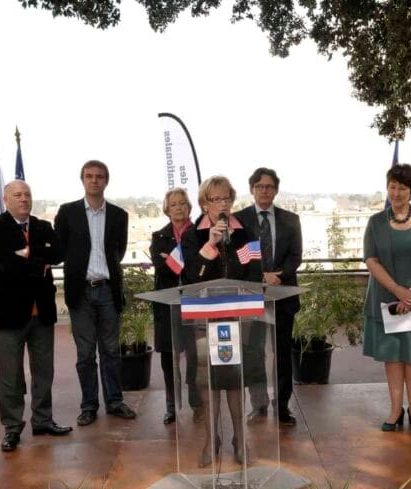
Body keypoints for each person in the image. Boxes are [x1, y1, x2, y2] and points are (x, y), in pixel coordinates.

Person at [0, 180, 72, 452]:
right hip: (8, 315)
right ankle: (12, 427)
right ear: (6, 199)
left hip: (41, 312)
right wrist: (39, 262)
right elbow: (7, 265)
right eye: (17, 195)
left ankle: (43, 420)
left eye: (27, 195)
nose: (24, 199)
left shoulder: (44, 227)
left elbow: (57, 253)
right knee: (9, 375)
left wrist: (29, 255)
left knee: (44, 371)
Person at [181, 176, 262, 467]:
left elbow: (254, 273)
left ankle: (239, 440)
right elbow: (191, 277)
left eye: (227, 198)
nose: (223, 204)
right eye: (216, 199)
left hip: (239, 317)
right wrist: (211, 245)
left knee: (234, 381)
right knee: (209, 381)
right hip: (204, 319)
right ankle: (210, 439)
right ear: (204, 204)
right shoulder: (192, 236)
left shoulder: (244, 232)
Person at [54, 160, 136, 427]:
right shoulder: (67, 213)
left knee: (111, 351)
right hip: (81, 293)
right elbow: (60, 249)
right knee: (85, 353)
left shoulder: (118, 215)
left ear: (106, 181)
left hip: (108, 291)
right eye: (89, 176)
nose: (94, 181)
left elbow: (119, 251)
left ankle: (115, 401)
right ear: (82, 180)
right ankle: (89, 405)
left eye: (99, 176)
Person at [362, 164, 411, 433]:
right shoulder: (375, 222)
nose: (396, 193)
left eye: (402, 188)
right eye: (392, 187)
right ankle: (395, 410)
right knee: (393, 356)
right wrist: (397, 290)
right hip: (386, 298)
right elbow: (371, 260)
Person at [234, 167, 302, 426]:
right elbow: (238, 257)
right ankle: (259, 403)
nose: (265, 190)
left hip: (283, 296)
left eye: (270, 186)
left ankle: (282, 405)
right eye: (260, 186)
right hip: (251, 295)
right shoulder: (239, 220)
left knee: (281, 353)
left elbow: (296, 255)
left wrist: (280, 276)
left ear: (276, 190)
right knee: (254, 353)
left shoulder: (290, 219)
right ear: (252, 189)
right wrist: (259, 277)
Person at [149, 188, 202, 425]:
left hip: (196, 302)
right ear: (167, 209)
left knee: (194, 352)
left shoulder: (200, 234)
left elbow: (198, 266)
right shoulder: (158, 236)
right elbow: (163, 269)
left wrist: (172, 258)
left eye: (182, 203)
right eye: (173, 204)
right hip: (167, 305)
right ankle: (171, 403)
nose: (178, 207)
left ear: (189, 207)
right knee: (170, 355)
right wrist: (178, 261)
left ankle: (195, 396)